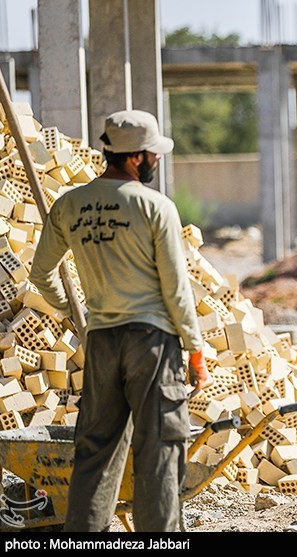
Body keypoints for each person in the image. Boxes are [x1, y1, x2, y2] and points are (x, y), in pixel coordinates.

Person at [30, 109, 211, 532]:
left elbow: (41, 273)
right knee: (159, 453)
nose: (158, 161)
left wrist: (70, 312)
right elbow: (175, 289)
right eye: (154, 154)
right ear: (135, 158)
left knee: (95, 451)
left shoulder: (69, 205)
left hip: (102, 342)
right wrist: (195, 350)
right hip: (152, 343)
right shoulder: (155, 207)